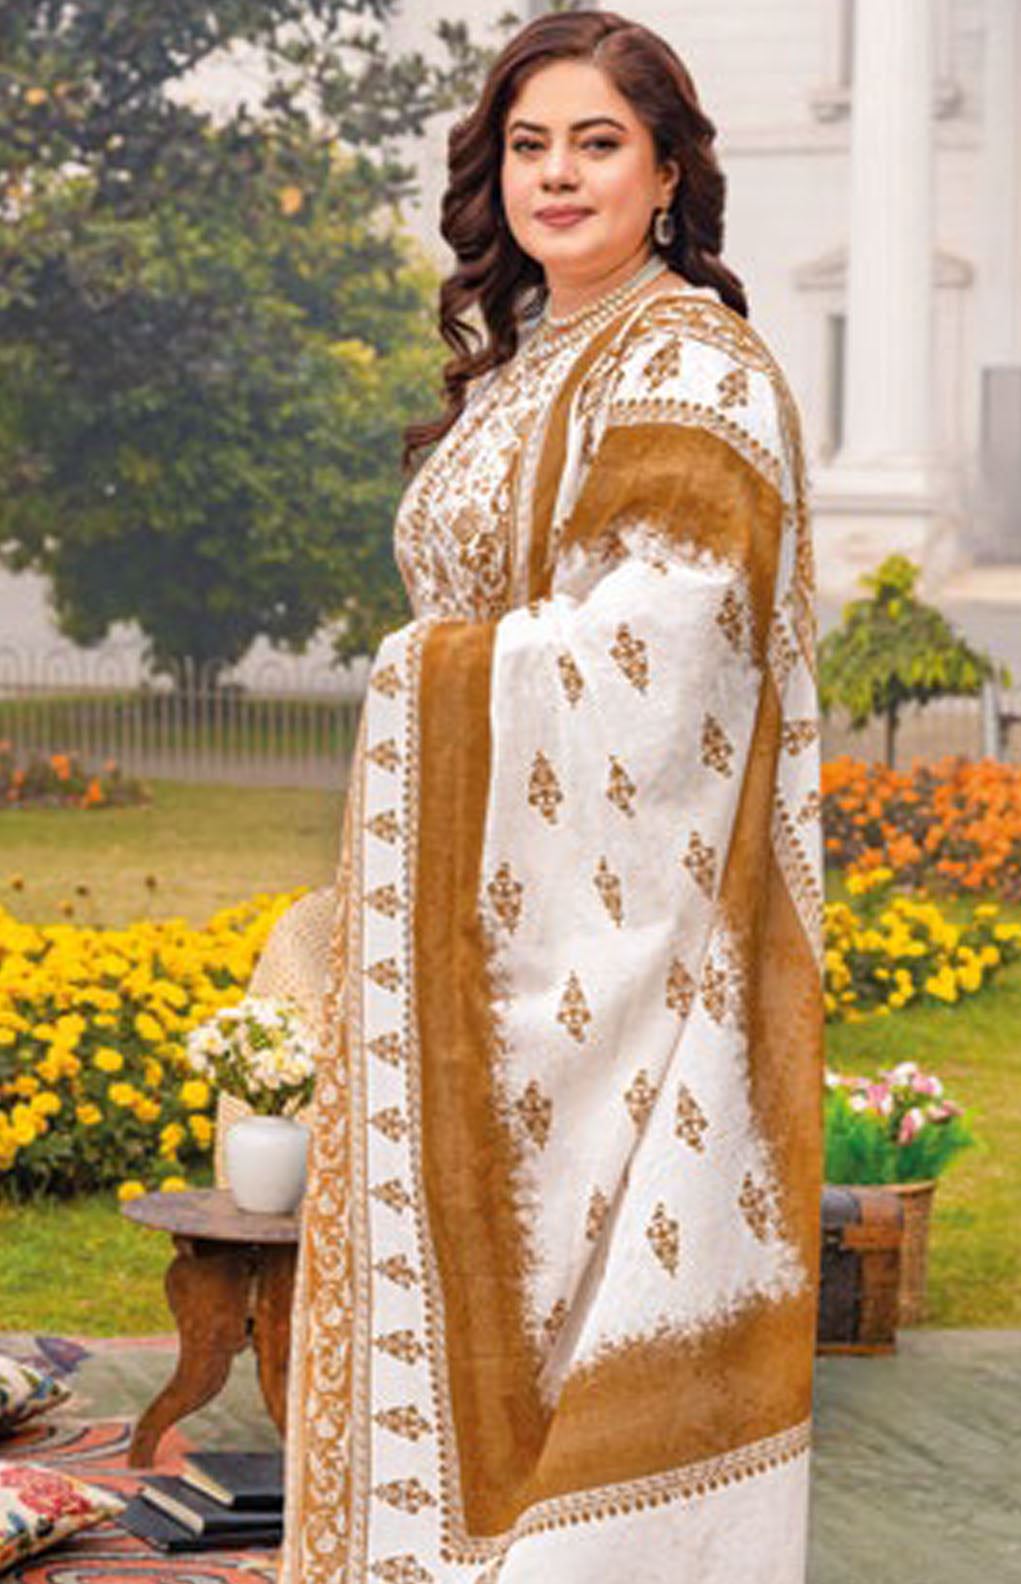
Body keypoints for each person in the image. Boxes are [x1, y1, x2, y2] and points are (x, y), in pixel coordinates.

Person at [277, 11, 822, 1582]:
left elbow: (671, 652)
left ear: (668, 173)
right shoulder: (534, 361)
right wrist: (451, 691)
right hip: (502, 913)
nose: (558, 176)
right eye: (529, 146)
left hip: (622, 947)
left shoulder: (690, 363)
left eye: (597, 143)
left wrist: (425, 683)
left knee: (582, 1312)